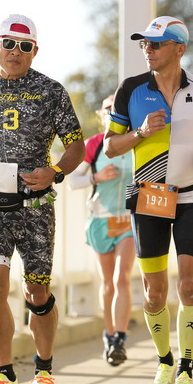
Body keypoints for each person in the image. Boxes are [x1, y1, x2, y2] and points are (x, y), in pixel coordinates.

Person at [0, 14, 85, 384]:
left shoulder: (51, 91)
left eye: (25, 46)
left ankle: (44, 369)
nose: (15, 52)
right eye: (8, 44)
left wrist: (55, 172)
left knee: (36, 291)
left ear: (35, 51)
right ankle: (5, 374)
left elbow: (76, 147)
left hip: (35, 207)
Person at [102, 16, 193, 384]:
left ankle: (186, 367)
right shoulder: (130, 89)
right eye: (144, 44)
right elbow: (110, 147)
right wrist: (140, 132)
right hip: (149, 196)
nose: (148, 50)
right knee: (154, 294)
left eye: (155, 44)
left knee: (188, 285)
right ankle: (165, 361)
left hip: (191, 195)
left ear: (179, 49)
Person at [68, 95, 136, 366]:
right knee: (107, 284)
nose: (112, 114)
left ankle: (120, 337)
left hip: (128, 220)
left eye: (118, 111)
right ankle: (109, 335)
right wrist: (96, 177)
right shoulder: (94, 144)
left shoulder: (135, 142)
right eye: (108, 110)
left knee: (122, 278)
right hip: (100, 221)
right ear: (102, 114)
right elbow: (72, 181)